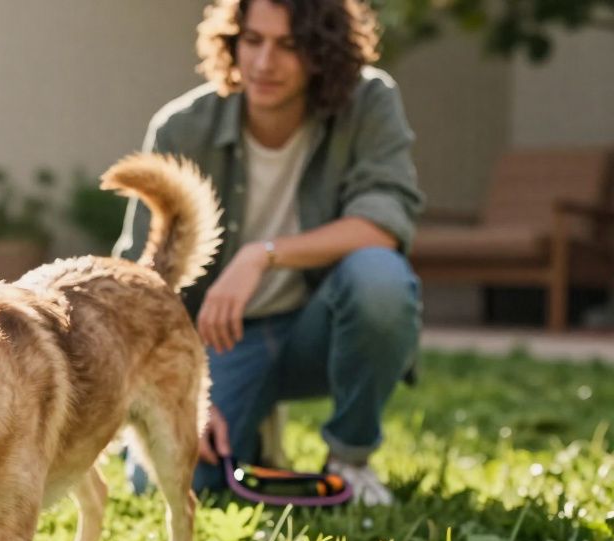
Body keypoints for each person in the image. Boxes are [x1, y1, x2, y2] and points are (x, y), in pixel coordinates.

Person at [114, 0, 424, 505]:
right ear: (233, 41)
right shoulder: (182, 128)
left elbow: (385, 222)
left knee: (381, 279)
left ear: (323, 52)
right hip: (217, 346)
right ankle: (250, 429)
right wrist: (178, 386)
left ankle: (350, 459)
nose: (263, 63)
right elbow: (137, 286)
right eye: (253, 40)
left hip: (317, 331)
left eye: (289, 45)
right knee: (165, 482)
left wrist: (262, 254)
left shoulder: (369, 102)